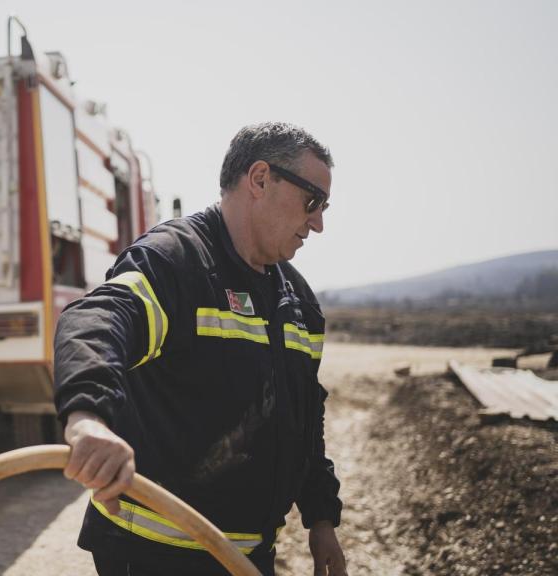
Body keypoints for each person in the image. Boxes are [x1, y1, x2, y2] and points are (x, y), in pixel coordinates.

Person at [53, 122, 347, 576]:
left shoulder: (299, 302)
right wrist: (87, 419)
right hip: (152, 555)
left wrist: (321, 517)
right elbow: (95, 320)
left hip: (248, 558)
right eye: (313, 201)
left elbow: (304, 413)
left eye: (325, 207)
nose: (319, 223)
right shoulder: (177, 262)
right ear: (260, 179)